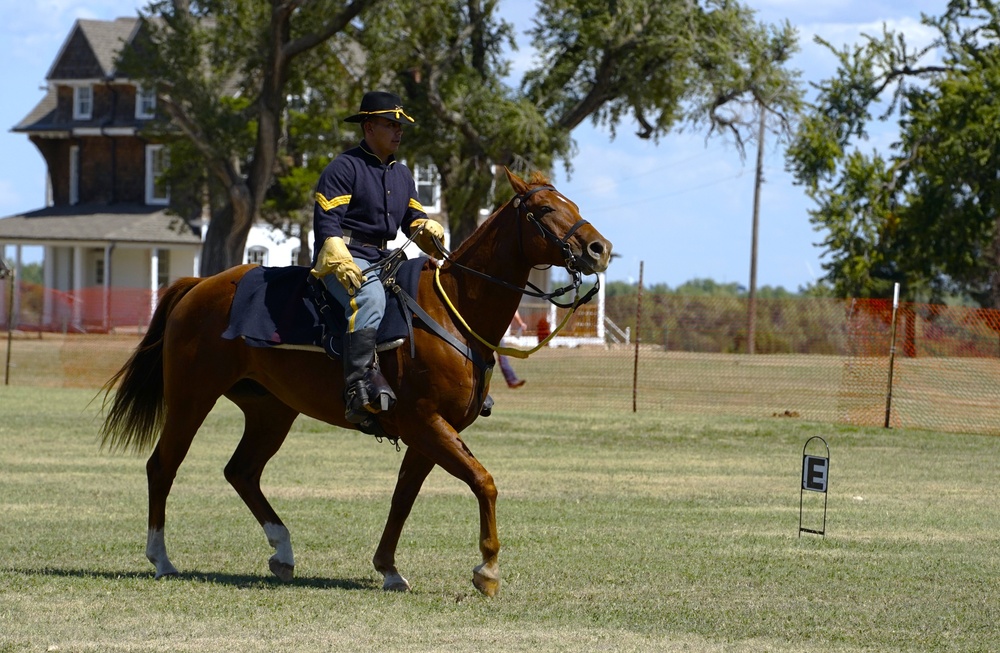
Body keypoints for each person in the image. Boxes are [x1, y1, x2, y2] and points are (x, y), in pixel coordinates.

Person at [310, 91, 444, 424]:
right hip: (343, 258)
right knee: (369, 298)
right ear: (369, 127)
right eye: (390, 124)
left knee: (430, 287)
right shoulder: (345, 166)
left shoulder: (402, 174)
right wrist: (336, 250)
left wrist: (427, 228)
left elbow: (412, 220)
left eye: (400, 125)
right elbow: (327, 222)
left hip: (384, 258)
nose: (398, 131)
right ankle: (358, 389)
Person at [498, 310, 527, 389]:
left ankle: (511, 380)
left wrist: (520, 323)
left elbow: (513, 309)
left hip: (496, 331)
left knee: (502, 356)